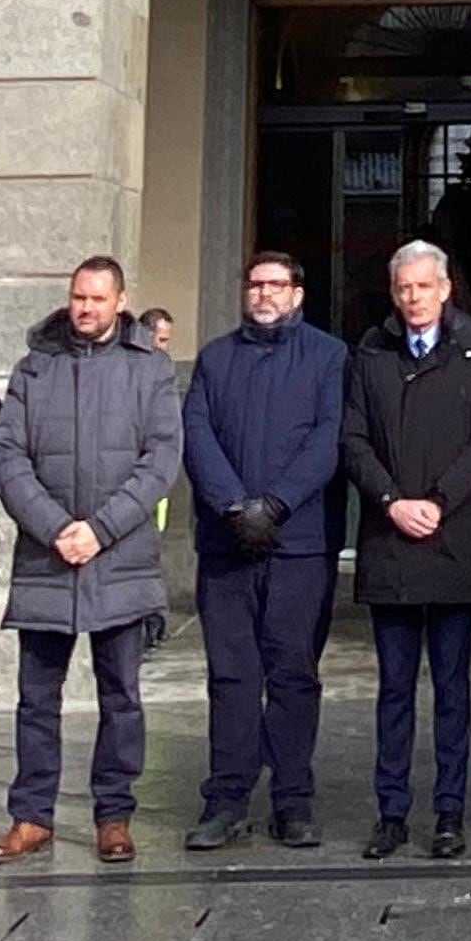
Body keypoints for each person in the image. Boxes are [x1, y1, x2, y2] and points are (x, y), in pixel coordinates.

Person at [0, 257, 181, 864]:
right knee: (36, 699)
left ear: (120, 301)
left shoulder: (150, 368)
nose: (86, 308)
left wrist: (99, 530)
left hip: (119, 559)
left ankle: (114, 816)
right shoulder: (35, 366)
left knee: (121, 697)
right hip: (47, 560)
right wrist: (54, 528)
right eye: (78, 297)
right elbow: (7, 455)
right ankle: (31, 816)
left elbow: (161, 460)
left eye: (97, 298)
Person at [342, 239, 471, 862]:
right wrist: (391, 501)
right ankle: (391, 813)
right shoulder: (371, 352)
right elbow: (353, 437)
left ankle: (449, 811)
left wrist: (439, 499)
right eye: (403, 288)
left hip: (452, 538)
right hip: (390, 540)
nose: (413, 298)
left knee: (452, 689)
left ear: (445, 289)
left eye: (423, 286)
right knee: (393, 689)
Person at [184, 248, 349, 852]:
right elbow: (196, 434)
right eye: (255, 284)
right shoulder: (214, 358)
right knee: (231, 677)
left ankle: (292, 801)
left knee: (293, 676)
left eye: (276, 285)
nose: (264, 294)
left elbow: (328, 439)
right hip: (226, 545)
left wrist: (275, 504)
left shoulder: (329, 357)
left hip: (299, 545)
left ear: (297, 293)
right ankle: (226, 801)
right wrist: (234, 506)